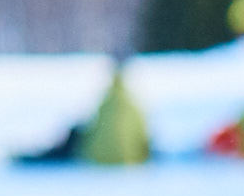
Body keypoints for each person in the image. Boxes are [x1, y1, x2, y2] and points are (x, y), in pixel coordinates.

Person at [14, 63, 151, 166]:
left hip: (97, 157)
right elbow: (143, 138)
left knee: (74, 135)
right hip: (129, 159)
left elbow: (95, 129)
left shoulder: (106, 101)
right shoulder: (134, 104)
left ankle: (35, 157)